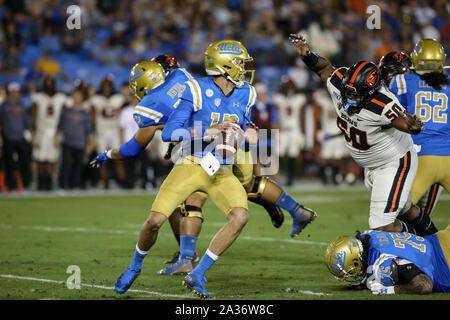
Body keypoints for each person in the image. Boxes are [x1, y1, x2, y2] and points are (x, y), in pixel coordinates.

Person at [289, 33, 437, 236]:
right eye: (347, 91)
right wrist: (308, 55)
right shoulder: (342, 82)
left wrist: (412, 125)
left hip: (393, 164)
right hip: (372, 166)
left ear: (370, 92)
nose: (349, 97)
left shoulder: (382, 103)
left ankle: (421, 244)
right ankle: (436, 243)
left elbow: (402, 122)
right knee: (405, 210)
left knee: (381, 225)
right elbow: (324, 69)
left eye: (355, 94)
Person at [387, 40, 449, 216]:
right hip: (447, 154)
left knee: (397, 211)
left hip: (417, 153)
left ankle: (383, 241)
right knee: (423, 213)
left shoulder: (403, 80)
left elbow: (393, 113)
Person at [324, 226, 450, 294]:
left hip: (446, 264)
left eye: (350, 271)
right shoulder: (369, 235)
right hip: (443, 236)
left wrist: (390, 290)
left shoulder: (382, 266)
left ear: (356, 262)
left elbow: (424, 285)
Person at [30, 75, 66, 190]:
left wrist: (59, 132)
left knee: (52, 159)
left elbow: (63, 117)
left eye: (51, 83)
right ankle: (39, 182)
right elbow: (34, 117)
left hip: (54, 131)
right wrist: (33, 133)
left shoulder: (60, 98)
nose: (49, 85)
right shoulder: (39, 97)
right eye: (47, 82)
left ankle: (51, 182)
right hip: (41, 130)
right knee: (39, 159)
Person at [89, 76, 125, 189]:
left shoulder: (118, 98)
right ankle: (104, 182)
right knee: (101, 158)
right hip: (102, 132)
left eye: (108, 86)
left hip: (114, 131)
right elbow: (93, 117)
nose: (106, 88)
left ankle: (120, 182)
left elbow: (121, 114)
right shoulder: (96, 99)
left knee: (118, 158)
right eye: (104, 86)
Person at [55, 88, 93, 190]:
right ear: (72, 96)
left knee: (79, 165)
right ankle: (62, 185)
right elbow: (59, 127)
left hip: (80, 143)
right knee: (65, 164)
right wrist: (55, 139)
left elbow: (88, 131)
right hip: (67, 142)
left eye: (79, 95)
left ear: (82, 98)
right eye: (75, 95)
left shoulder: (85, 113)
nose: (77, 97)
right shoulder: (66, 112)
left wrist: (89, 144)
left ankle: (75, 185)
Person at [0, 82, 32, 192]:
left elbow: (27, 122)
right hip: (8, 138)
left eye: (16, 91)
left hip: (21, 137)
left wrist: (29, 134)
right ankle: (11, 186)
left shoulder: (22, 105)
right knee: (9, 164)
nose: (14, 93)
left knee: (25, 163)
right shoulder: (4, 106)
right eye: (12, 91)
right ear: (9, 92)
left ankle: (26, 185)